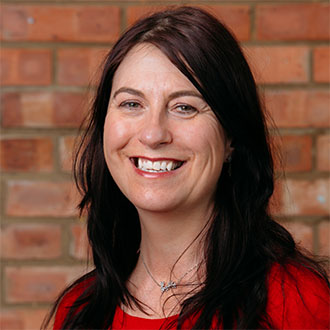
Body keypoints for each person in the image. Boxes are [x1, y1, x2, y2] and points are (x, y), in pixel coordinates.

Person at [42, 6, 329, 330]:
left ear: (231, 136)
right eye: (132, 104)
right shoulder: (81, 311)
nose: (153, 134)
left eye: (184, 107)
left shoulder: (297, 304)